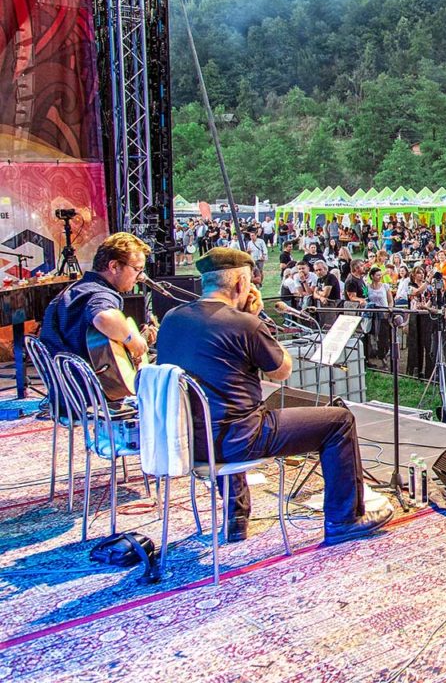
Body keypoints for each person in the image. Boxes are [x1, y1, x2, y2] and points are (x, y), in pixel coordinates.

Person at [156, 248, 390, 544]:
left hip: (188, 440)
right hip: (240, 439)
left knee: (222, 410)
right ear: (241, 284)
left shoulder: (172, 318)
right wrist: (254, 320)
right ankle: (344, 519)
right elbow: (282, 370)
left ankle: (235, 516)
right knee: (339, 421)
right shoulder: (244, 323)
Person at [40, 232, 155, 376]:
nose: (141, 277)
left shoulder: (76, 290)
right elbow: (103, 317)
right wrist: (132, 339)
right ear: (114, 266)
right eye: (137, 269)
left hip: (67, 389)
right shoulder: (101, 294)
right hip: (88, 387)